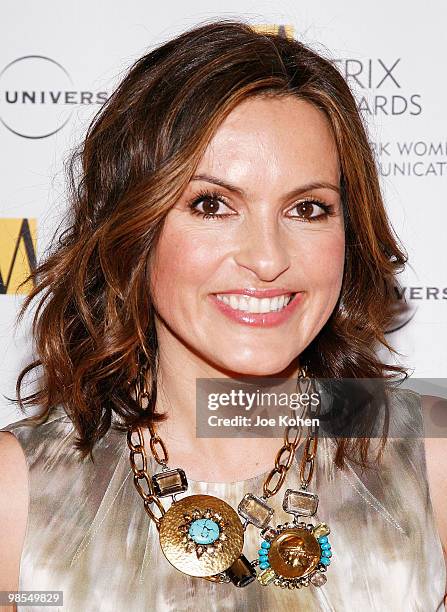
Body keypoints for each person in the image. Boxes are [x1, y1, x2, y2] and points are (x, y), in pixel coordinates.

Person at [0, 19, 446, 612]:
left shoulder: (431, 458)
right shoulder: (19, 493)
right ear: (135, 226)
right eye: (212, 205)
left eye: (309, 208)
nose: (267, 259)